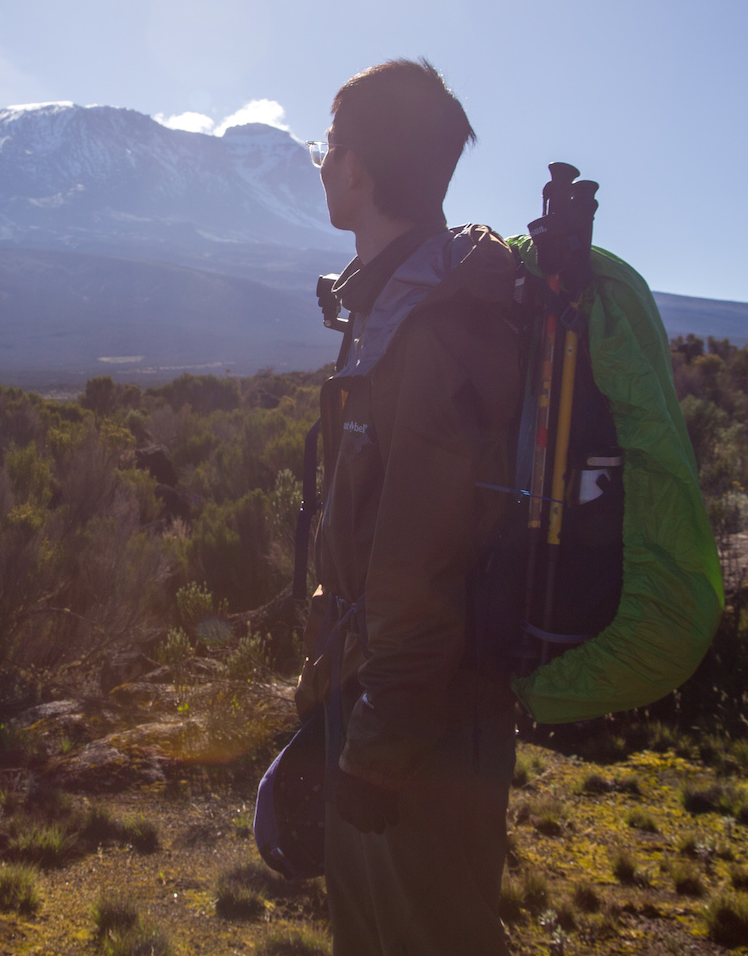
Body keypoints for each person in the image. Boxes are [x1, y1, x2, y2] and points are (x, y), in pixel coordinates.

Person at [291, 59, 520, 956]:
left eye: (330, 144)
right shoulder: (396, 306)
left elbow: (420, 563)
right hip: (389, 697)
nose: (321, 162)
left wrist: (377, 751)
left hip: (418, 721)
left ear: (361, 170)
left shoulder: (427, 332)